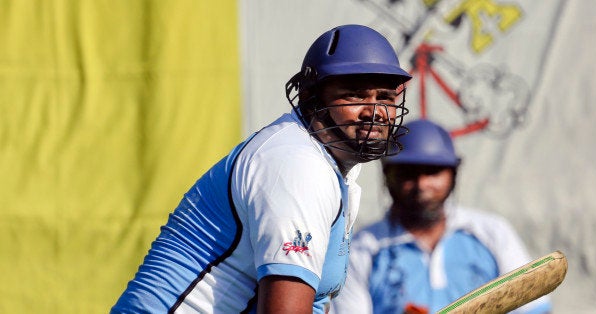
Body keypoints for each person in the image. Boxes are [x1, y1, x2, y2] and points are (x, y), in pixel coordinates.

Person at [111, 24, 412, 314]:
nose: (374, 112)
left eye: (384, 97)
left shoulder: (327, 165)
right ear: (310, 97)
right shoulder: (298, 166)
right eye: (355, 95)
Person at [330, 119, 552, 314]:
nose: (422, 185)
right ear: (388, 175)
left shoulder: (491, 233)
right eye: (408, 173)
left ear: (454, 174)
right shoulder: (363, 249)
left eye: (433, 172)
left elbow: (533, 308)